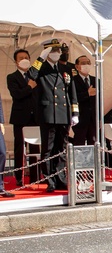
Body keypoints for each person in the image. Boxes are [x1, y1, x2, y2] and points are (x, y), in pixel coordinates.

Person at [28, 40, 78, 192]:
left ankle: (60, 177)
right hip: (48, 113)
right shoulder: (40, 68)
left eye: (58, 49)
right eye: (53, 50)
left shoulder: (65, 68)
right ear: (47, 52)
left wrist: (75, 112)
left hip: (63, 113)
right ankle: (49, 179)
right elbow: (30, 75)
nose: (57, 52)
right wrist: (40, 58)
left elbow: (72, 92)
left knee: (61, 148)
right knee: (48, 149)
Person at [7, 48, 38, 187]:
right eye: (21, 58)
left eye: (26, 57)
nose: (24, 60)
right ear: (16, 61)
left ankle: (35, 176)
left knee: (35, 148)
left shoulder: (34, 75)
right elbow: (17, 95)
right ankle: (19, 176)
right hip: (20, 117)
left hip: (35, 117)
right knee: (19, 147)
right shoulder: (12, 77)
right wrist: (29, 87)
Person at [71, 55, 98, 146]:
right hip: (80, 118)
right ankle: (79, 161)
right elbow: (73, 97)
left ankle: (93, 160)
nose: (86, 65)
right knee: (79, 142)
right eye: (83, 63)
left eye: (88, 63)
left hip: (93, 118)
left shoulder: (96, 80)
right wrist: (87, 94)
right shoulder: (73, 81)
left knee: (93, 142)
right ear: (77, 66)